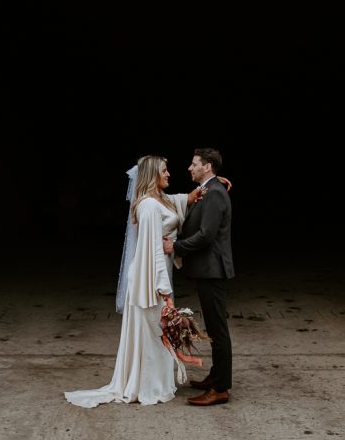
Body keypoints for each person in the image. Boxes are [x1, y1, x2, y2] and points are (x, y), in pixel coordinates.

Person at [64, 155, 195, 407]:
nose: (169, 174)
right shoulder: (147, 206)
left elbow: (179, 201)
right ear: (152, 175)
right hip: (150, 277)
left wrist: (203, 189)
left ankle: (157, 381)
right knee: (154, 331)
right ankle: (148, 386)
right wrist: (163, 289)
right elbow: (154, 249)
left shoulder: (161, 200)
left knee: (158, 330)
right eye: (164, 171)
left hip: (158, 275)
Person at [163, 148, 234, 406]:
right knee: (215, 329)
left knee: (218, 330)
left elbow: (206, 235)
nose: (189, 168)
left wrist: (176, 247)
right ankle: (215, 377)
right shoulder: (210, 190)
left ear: (208, 166)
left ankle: (221, 389)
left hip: (212, 270)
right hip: (208, 270)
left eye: (194, 164)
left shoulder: (214, 193)